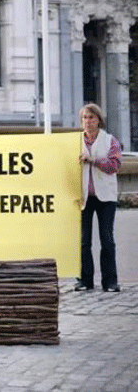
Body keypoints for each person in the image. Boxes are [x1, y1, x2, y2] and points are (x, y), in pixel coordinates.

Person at [76, 103, 122, 292]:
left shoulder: (110, 140)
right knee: (84, 240)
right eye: (85, 118)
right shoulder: (75, 141)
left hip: (105, 197)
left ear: (99, 120)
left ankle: (110, 281)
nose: (88, 122)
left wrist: (94, 161)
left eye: (91, 118)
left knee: (107, 239)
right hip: (83, 196)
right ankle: (85, 280)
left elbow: (115, 165)